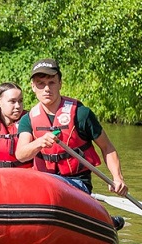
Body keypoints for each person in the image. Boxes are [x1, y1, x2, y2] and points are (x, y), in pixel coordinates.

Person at [15, 59, 126, 195]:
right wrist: (39, 142)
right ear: (33, 86)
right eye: (41, 84)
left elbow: (107, 147)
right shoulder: (28, 119)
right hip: (44, 181)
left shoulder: (81, 114)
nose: (47, 89)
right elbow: (21, 155)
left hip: (77, 182)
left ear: (60, 84)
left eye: (52, 83)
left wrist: (117, 178)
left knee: (53, 188)